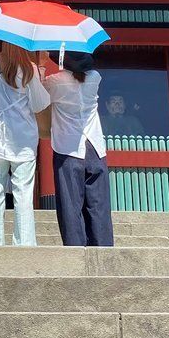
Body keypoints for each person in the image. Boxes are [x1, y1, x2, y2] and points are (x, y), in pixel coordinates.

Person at [0, 43, 50, 247]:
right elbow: (40, 103)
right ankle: (24, 242)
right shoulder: (29, 68)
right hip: (23, 139)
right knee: (23, 190)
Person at [43, 52, 113, 247]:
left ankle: (75, 248)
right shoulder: (95, 78)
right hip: (94, 146)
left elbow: (40, 100)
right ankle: (103, 246)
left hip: (68, 147)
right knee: (98, 202)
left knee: (70, 203)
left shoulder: (54, 81)